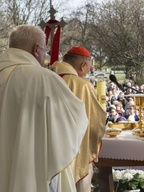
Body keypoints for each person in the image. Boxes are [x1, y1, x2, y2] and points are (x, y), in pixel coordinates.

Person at [0, 25, 88, 192]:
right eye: (45, 52)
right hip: (30, 170)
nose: (45, 57)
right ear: (36, 49)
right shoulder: (44, 78)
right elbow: (75, 121)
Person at [51, 46, 106, 192]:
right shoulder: (82, 85)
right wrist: (95, 142)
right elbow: (95, 121)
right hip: (73, 149)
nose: (90, 69)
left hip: (47, 145)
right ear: (83, 65)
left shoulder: (46, 76)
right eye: (89, 66)